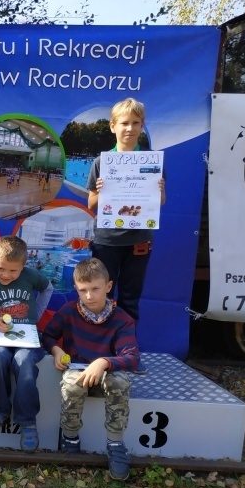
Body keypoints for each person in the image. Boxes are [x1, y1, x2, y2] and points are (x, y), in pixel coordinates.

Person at [41, 258, 141, 481]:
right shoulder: (68, 311)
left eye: (95, 289)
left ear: (108, 286)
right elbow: (47, 335)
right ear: (76, 289)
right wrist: (56, 350)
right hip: (77, 369)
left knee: (120, 381)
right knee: (72, 385)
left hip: (106, 372)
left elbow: (132, 357)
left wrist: (104, 362)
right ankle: (70, 437)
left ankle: (115, 444)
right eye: (83, 290)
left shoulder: (122, 319)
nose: (89, 296)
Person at [87, 98, 166, 321]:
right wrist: (101, 191)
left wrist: (158, 190)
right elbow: (92, 205)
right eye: (124, 123)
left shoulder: (152, 160)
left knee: (130, 298)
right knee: (103, 295)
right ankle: (101, 344)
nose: (129, 128)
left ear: (142, 126)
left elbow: (160, 201)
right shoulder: (101, 162)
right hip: (107, 240)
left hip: (138, 240)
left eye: (135, 122)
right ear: (113, 126)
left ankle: (126, 349)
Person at [0, 236, 53, 452]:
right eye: (1, 268)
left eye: (13, 271)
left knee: (25, 360)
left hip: (27, 335)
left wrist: (36, 315)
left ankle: (27, 422)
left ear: (23, 266)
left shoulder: (31, 276)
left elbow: (47, 289)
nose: (6, 275)